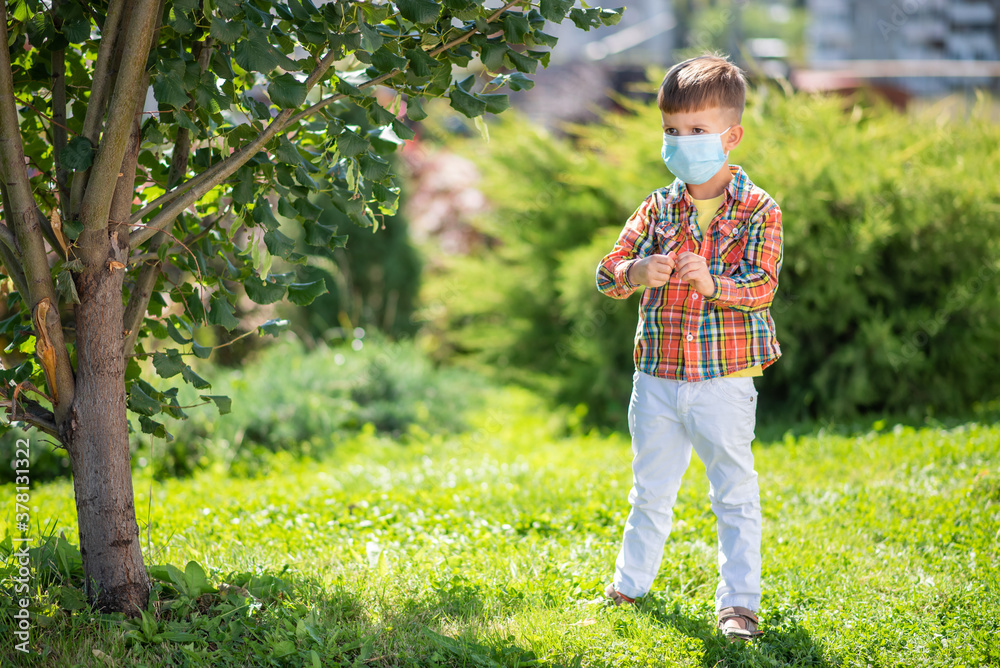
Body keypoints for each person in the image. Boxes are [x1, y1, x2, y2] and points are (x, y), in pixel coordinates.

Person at [594, 53, 783, 642]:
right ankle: (629, 584)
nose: (682, 142)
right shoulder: (658, 206)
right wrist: (635, 272)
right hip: (656, 376)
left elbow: (763, 286)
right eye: (672, 131)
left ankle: (739, 604)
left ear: (731, 135)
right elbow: (607, 272)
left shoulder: (758, 209)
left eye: (697, 131)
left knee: (733, 490)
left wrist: (715, 284)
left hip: (724, 380)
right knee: (649, 489)